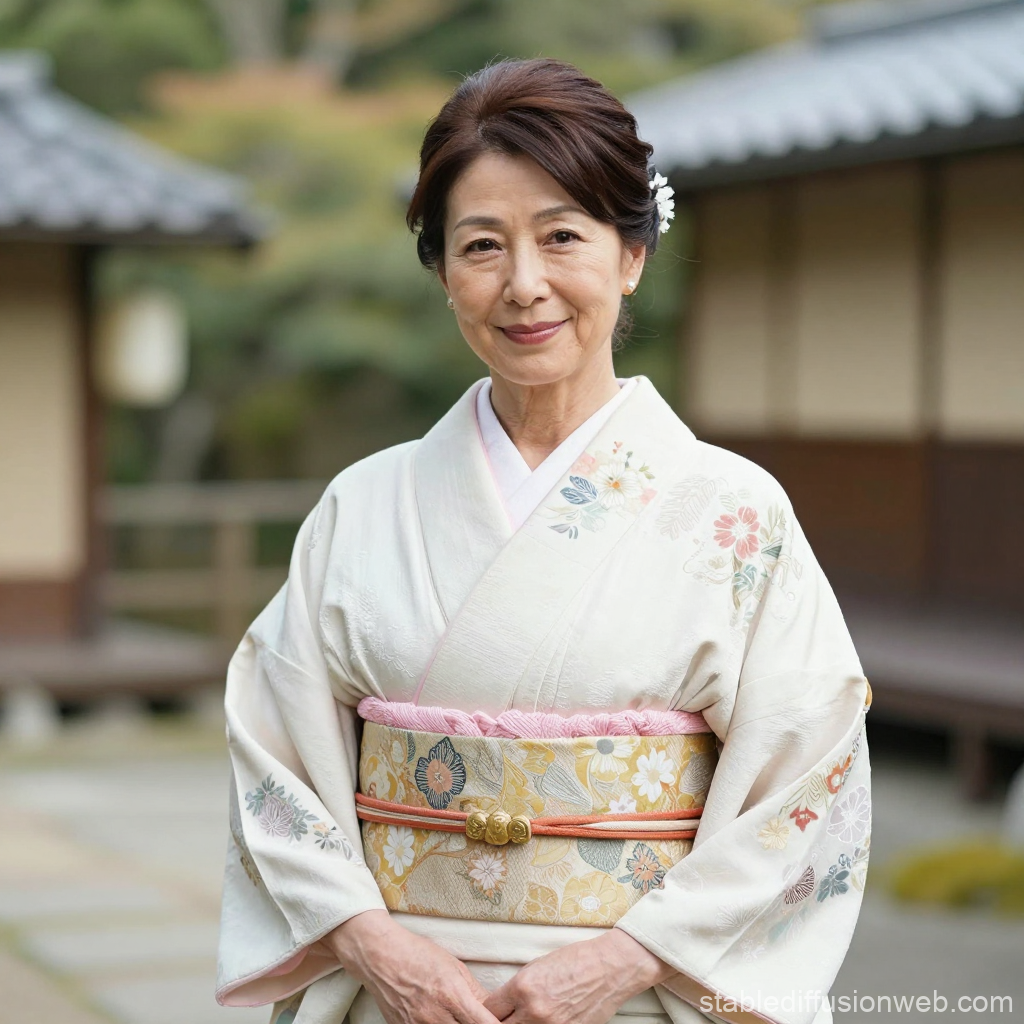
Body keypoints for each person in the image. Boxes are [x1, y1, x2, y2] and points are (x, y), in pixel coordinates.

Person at [216, 58, 871, 1024]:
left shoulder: (736, 511)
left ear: (631, 254)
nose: (525, 285)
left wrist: (626, 958)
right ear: (443, 272)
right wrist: (369, 941)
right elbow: (273, 752)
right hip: (394, 992)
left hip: (636, 994)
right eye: (482, 246)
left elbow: (810, 769)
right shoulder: (363, 503)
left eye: (563, 236)